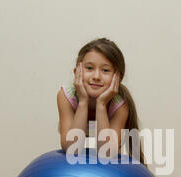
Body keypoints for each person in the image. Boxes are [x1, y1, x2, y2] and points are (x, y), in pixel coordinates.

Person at [57, 37, 146, 166]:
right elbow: (72, 149)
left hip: (109, 166)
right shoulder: (66, 96)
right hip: (74, 165)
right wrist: (83, 102)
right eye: (89, 68)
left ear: (117, 77)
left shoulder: (120, 104)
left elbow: (107, 152)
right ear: (77, 72)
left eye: (105, 70)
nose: (96, 76)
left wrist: (102, 104)